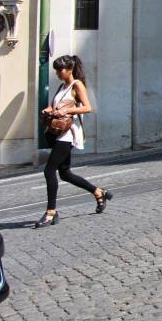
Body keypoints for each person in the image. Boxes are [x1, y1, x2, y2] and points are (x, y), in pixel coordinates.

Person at [35, 55, 113, 229]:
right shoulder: (61, 87)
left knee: (49, 170)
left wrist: (66, 110)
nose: (57, 73)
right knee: (65, 173)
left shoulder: (77, 85)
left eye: (59, 70)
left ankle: (51, 212)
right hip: (58, 132)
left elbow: (87, 107)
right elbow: (53, 105)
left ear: (69, 69)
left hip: (68, 133)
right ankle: (99, 192)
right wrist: (47, 110)